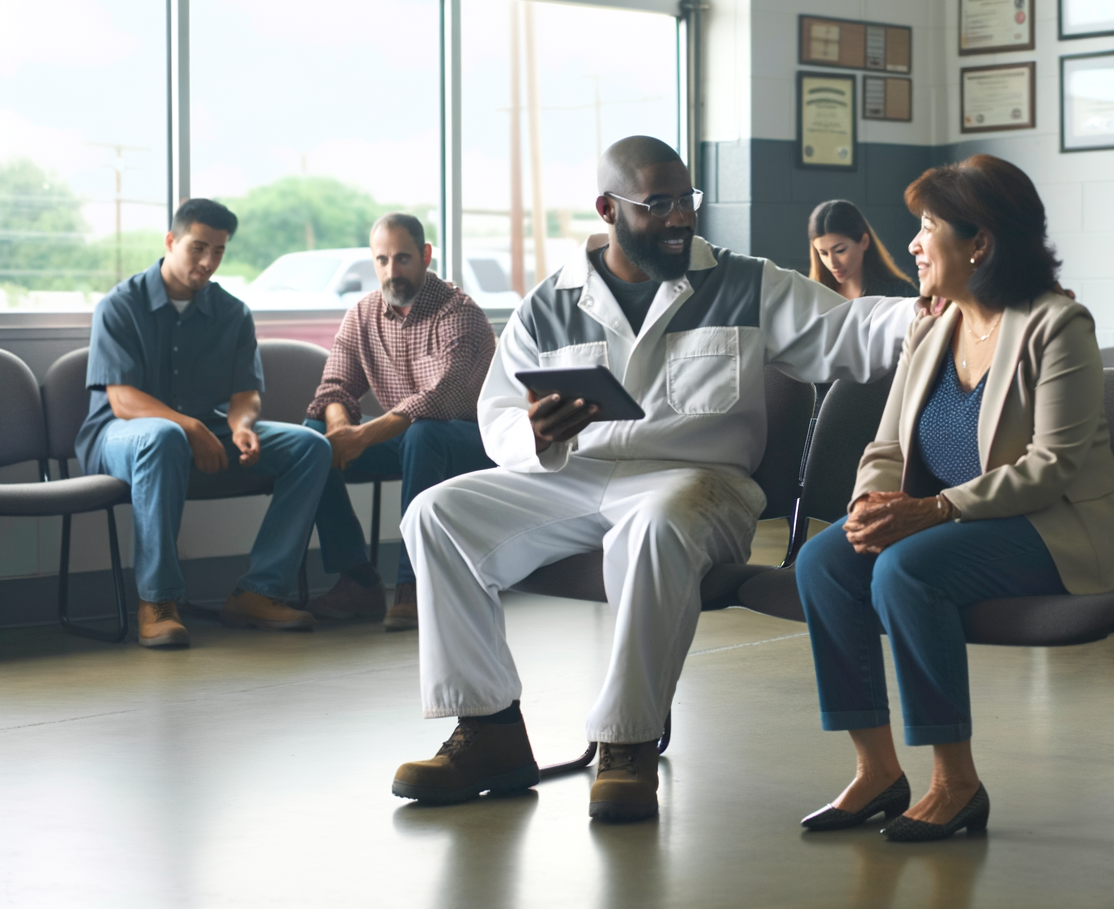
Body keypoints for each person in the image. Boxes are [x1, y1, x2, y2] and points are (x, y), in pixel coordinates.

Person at [391, 136, 917, 821]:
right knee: (435, 512)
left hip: (698, 484)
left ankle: (628, 741)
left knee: (656, 521)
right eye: (658, 204)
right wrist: (537, 434)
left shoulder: (742, 281)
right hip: (572, 477)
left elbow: (853, 329)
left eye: (686, 201)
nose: (679, 219)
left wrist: (936, 310)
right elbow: (497, 416)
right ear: (609, 209)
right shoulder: (550, 304)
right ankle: (489, 730)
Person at [793, 155, 1114, 842]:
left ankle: (956, 782)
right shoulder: (933, 324)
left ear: (979, 242)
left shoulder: (1057, 325)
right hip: (954, 524)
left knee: (907, 567)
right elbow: (889, 445)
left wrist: (935, 511)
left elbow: (1054, 465)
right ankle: (878, 772)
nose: (915, 245)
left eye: (927, 228)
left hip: (1051, 528)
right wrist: (870, 506)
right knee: (825, 561)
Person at [78, 198, 333, 648]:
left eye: (218, 251)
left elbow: (245, 394)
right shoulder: (119, 305)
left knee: (310, 446)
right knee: (164, 435)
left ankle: (259, 592)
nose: (208, 261)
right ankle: (157, 601)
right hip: (121, 437)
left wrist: (241, 426)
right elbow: (121, 399)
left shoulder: (232, 313)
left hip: (203, 431)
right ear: (171, 241)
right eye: (198, 247)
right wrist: (190, 427)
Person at [301, 213, 497, 631]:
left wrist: (363, 435)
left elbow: (441, 399)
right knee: (310, 441)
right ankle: (358, 580)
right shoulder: (362, 314)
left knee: (424, 432)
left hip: (471, 439)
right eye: (382, 260)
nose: (392, 271)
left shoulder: (458, 312)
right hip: (407, 439)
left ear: (425, 256)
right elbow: (334, 387)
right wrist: (339, 432)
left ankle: (413, 585)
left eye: (403, 258)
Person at [808, 199, 918, 299]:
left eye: (840, 250)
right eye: (823, 253)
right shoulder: (812, 297)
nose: (832, 263)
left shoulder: (901, 294)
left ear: (864, 241)